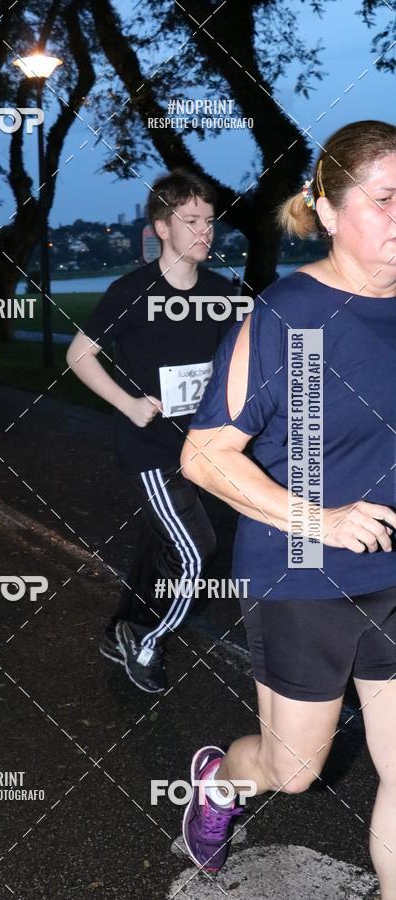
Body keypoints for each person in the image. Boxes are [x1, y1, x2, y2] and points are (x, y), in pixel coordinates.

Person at [180, 120, 396, 896]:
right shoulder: (291, 316)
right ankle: (220, 785)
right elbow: (203, 455)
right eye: (386, 198)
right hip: (303, 569)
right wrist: (326, 520)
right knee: (294, 768)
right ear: (331, 212)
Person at [67, 169, 236, 694]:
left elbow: (231, 365)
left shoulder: (219, 291)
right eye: (191, 221)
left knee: (159, 545)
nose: (205, 231)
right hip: (151, 449)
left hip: (203, 449)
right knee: (193, 553)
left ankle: (120, 624)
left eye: (209, 220)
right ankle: (144, 634)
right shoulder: (131, 291)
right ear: (162, 227)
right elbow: (79, 355)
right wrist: (127, 403)